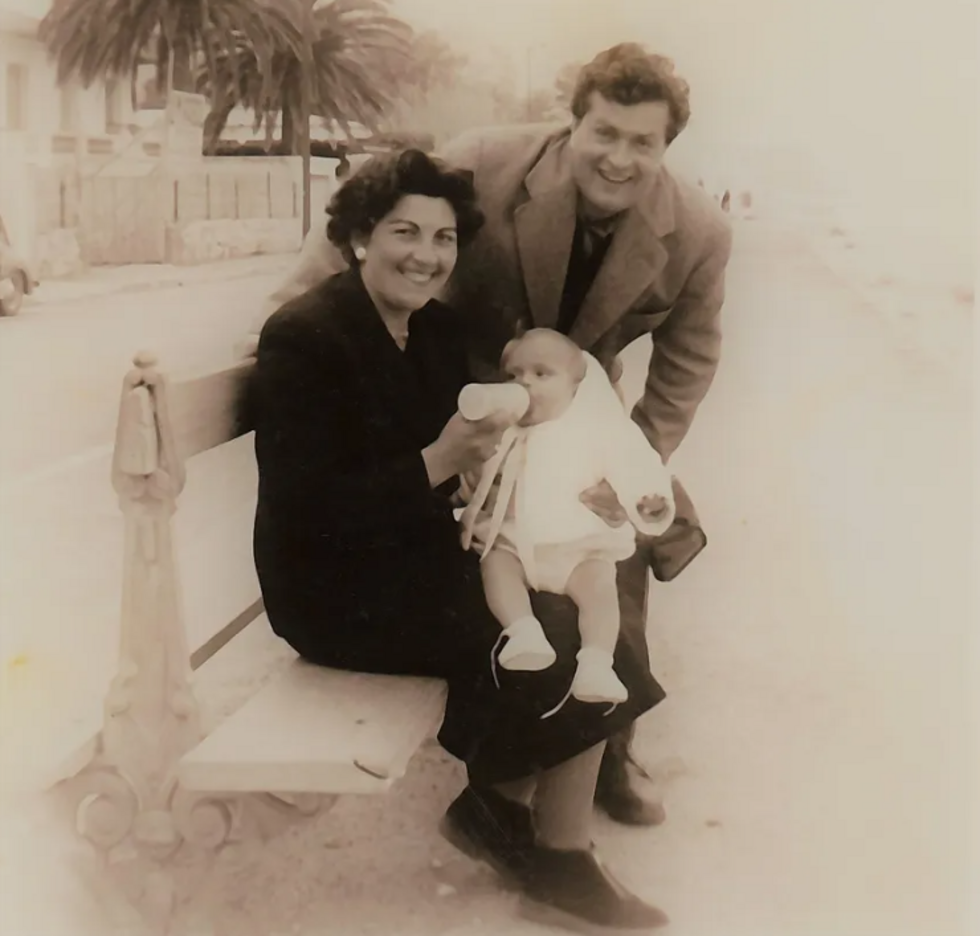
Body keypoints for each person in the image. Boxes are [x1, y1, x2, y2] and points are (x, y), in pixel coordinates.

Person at [247, 42, 734, 827]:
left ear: (666, 148)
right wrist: (293, 314)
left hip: (582, 413)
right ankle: (534, 771)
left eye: (642, 143)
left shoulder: (701, 230)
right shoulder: (483, 161)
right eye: (603, 133)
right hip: (467, 388)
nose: (618, 158)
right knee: (516, 582)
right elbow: (376, 220)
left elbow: (690, 357)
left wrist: (620, 463)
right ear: (571, 123)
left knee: (616, 546)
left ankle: (610, 749)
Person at [251, 148, 670, 932]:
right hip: (333, 593)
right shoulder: (306, 337)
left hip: (418, 558)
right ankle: (553, 854)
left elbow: (486, 444)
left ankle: (512, 816)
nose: (425, 255)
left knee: (582, 596)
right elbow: (307, 508)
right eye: (404, 232)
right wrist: (441, 460)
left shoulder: (436, 332)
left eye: (443, 239)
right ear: (358, 237)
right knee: (554, 627)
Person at [459, 329, 676, 710]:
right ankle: (523, 632)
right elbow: (476, 478)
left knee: (600, 590)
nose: (524, 382)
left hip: (578, 549)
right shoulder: (504, 430)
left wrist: (647, 498)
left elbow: (637, 464)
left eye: (542, 374)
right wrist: (469, 490)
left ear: (577, 387)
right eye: (514, 374)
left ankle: (595, 663)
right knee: (494, 562)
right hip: (517, 544)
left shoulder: (598, 432)